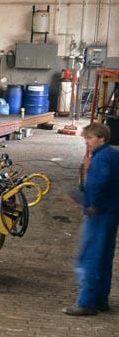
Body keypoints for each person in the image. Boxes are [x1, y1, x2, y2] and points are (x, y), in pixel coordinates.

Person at [65, 122, 119, 316]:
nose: (86, 142)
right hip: (112, 212)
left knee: (90, 257)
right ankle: (101, 299)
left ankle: (86, 302)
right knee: (105, 257)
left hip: (98, 213)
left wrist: (91, 203)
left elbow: (98, 182)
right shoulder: (114, 155)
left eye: (89, 138)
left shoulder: (101, 158)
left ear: (101, 138)